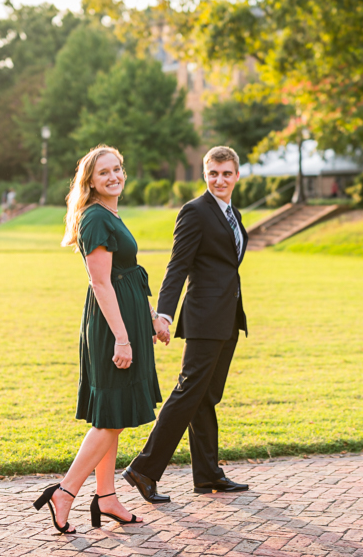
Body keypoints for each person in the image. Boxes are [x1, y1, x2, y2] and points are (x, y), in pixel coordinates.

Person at [32, 145, 169, 533]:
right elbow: (101, 282)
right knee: (108, 418)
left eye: (118, 169)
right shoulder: (94, 218)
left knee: (116, 414)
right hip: (113, 325)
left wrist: (152, 316)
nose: (114, 176)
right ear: (90, 181)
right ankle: (66, 491)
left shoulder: (110, 213)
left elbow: (129, 275)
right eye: (104, 172)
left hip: (128, 317)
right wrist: (122, 338)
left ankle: (106, 496)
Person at [123, 146, 250, 503]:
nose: (219, 179)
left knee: (206, 396)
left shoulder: (232, 213)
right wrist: (163, 314)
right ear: (205, 175)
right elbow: (177, 266)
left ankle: (208, 475)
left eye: (226, 173)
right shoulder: (194, 212)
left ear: (236, 176)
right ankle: (144, 469)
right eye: (213, 173)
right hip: (204, 318)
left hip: (228, 317)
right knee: (188, 392)